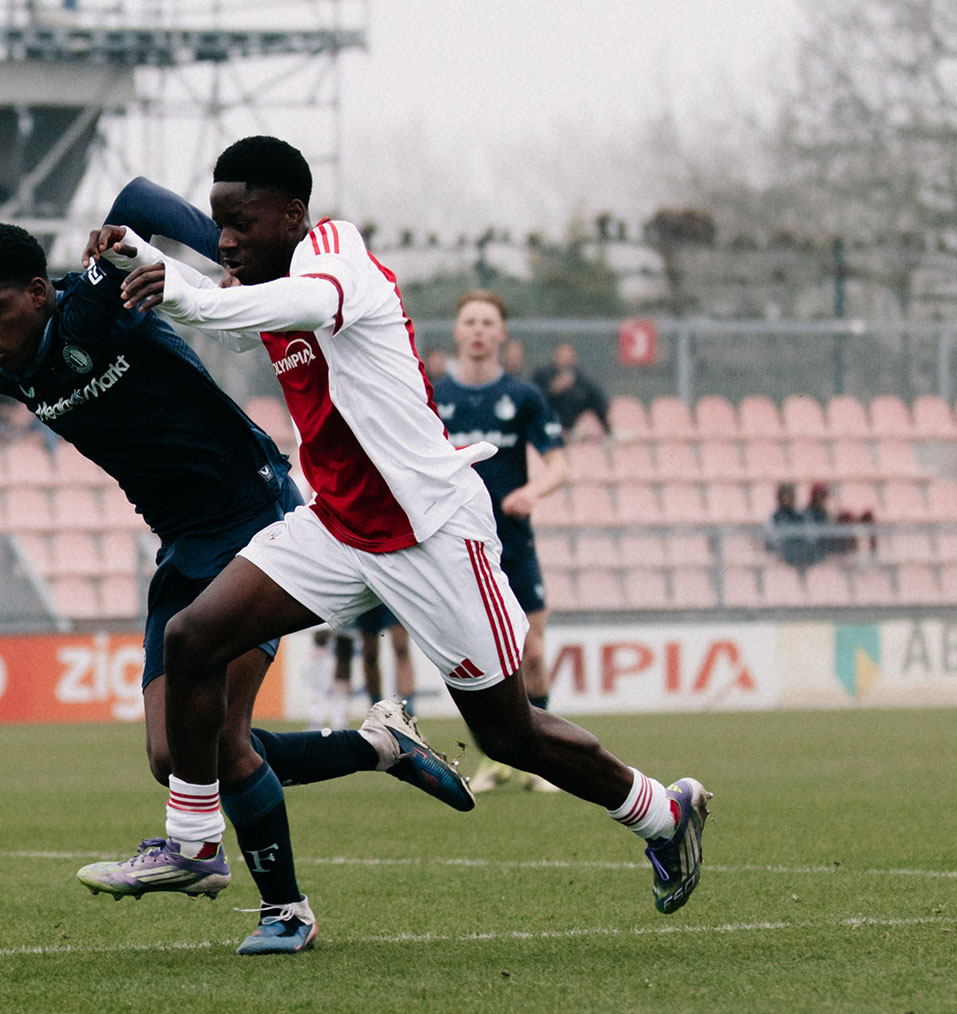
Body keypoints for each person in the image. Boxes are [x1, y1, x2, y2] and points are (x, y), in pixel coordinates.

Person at [93, 135, 709, 920]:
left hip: (431, 535)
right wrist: (130, 253)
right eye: (218, 225)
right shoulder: (269, 281)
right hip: (340, 528)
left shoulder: (335, 260)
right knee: (192, 637)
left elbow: (242, 308)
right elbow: (233, 313)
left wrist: (173, 279)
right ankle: (192, 843)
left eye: (240, 223)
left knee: (508, 734)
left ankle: (663, 811)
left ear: (291, 214)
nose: (226, 241)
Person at [0, 218, 471, 955]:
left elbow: (135, 201)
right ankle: (378, 747)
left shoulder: (94, 306)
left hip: (256, 519)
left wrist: (229, 257)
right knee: (175, 756)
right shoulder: (4, 360)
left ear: (41, 292)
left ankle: (285, 911)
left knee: (223, 742)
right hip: (181, 545)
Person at [435, 290, 571, 795]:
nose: (477, 330)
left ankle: (541, 762)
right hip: (454, 546)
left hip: (512, 542)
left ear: (500, 333)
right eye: (468, 320)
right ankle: (492, 759)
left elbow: (560, 466)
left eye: (487, 322)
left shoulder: (525, 396)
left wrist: (529, 491)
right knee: (473, 657)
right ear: (456, 330)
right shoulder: (432, 395)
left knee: (532, 654)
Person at [530, 341, 611, 440]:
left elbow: (598, 397)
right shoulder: (542, 375)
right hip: (546, 424)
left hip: (570, 425)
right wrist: (553, 389)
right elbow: (532, 399)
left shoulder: (580, 378)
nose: (565, 359)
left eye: (568, 355)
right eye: (562, 355)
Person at [355, 606, 416, 717]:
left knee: (401, 648)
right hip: (367, 594)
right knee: (370, 655)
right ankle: (375, 707)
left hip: (392, 593)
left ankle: (408, 709)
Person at [767, 483, 820, 570]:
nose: (787, 499)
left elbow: (810, 536)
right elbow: (772, 539)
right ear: (779, 498)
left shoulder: (802, 516)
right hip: (783, 554)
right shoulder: (774, 517)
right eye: (784, 496)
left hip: (801, 552)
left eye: (789, 496)